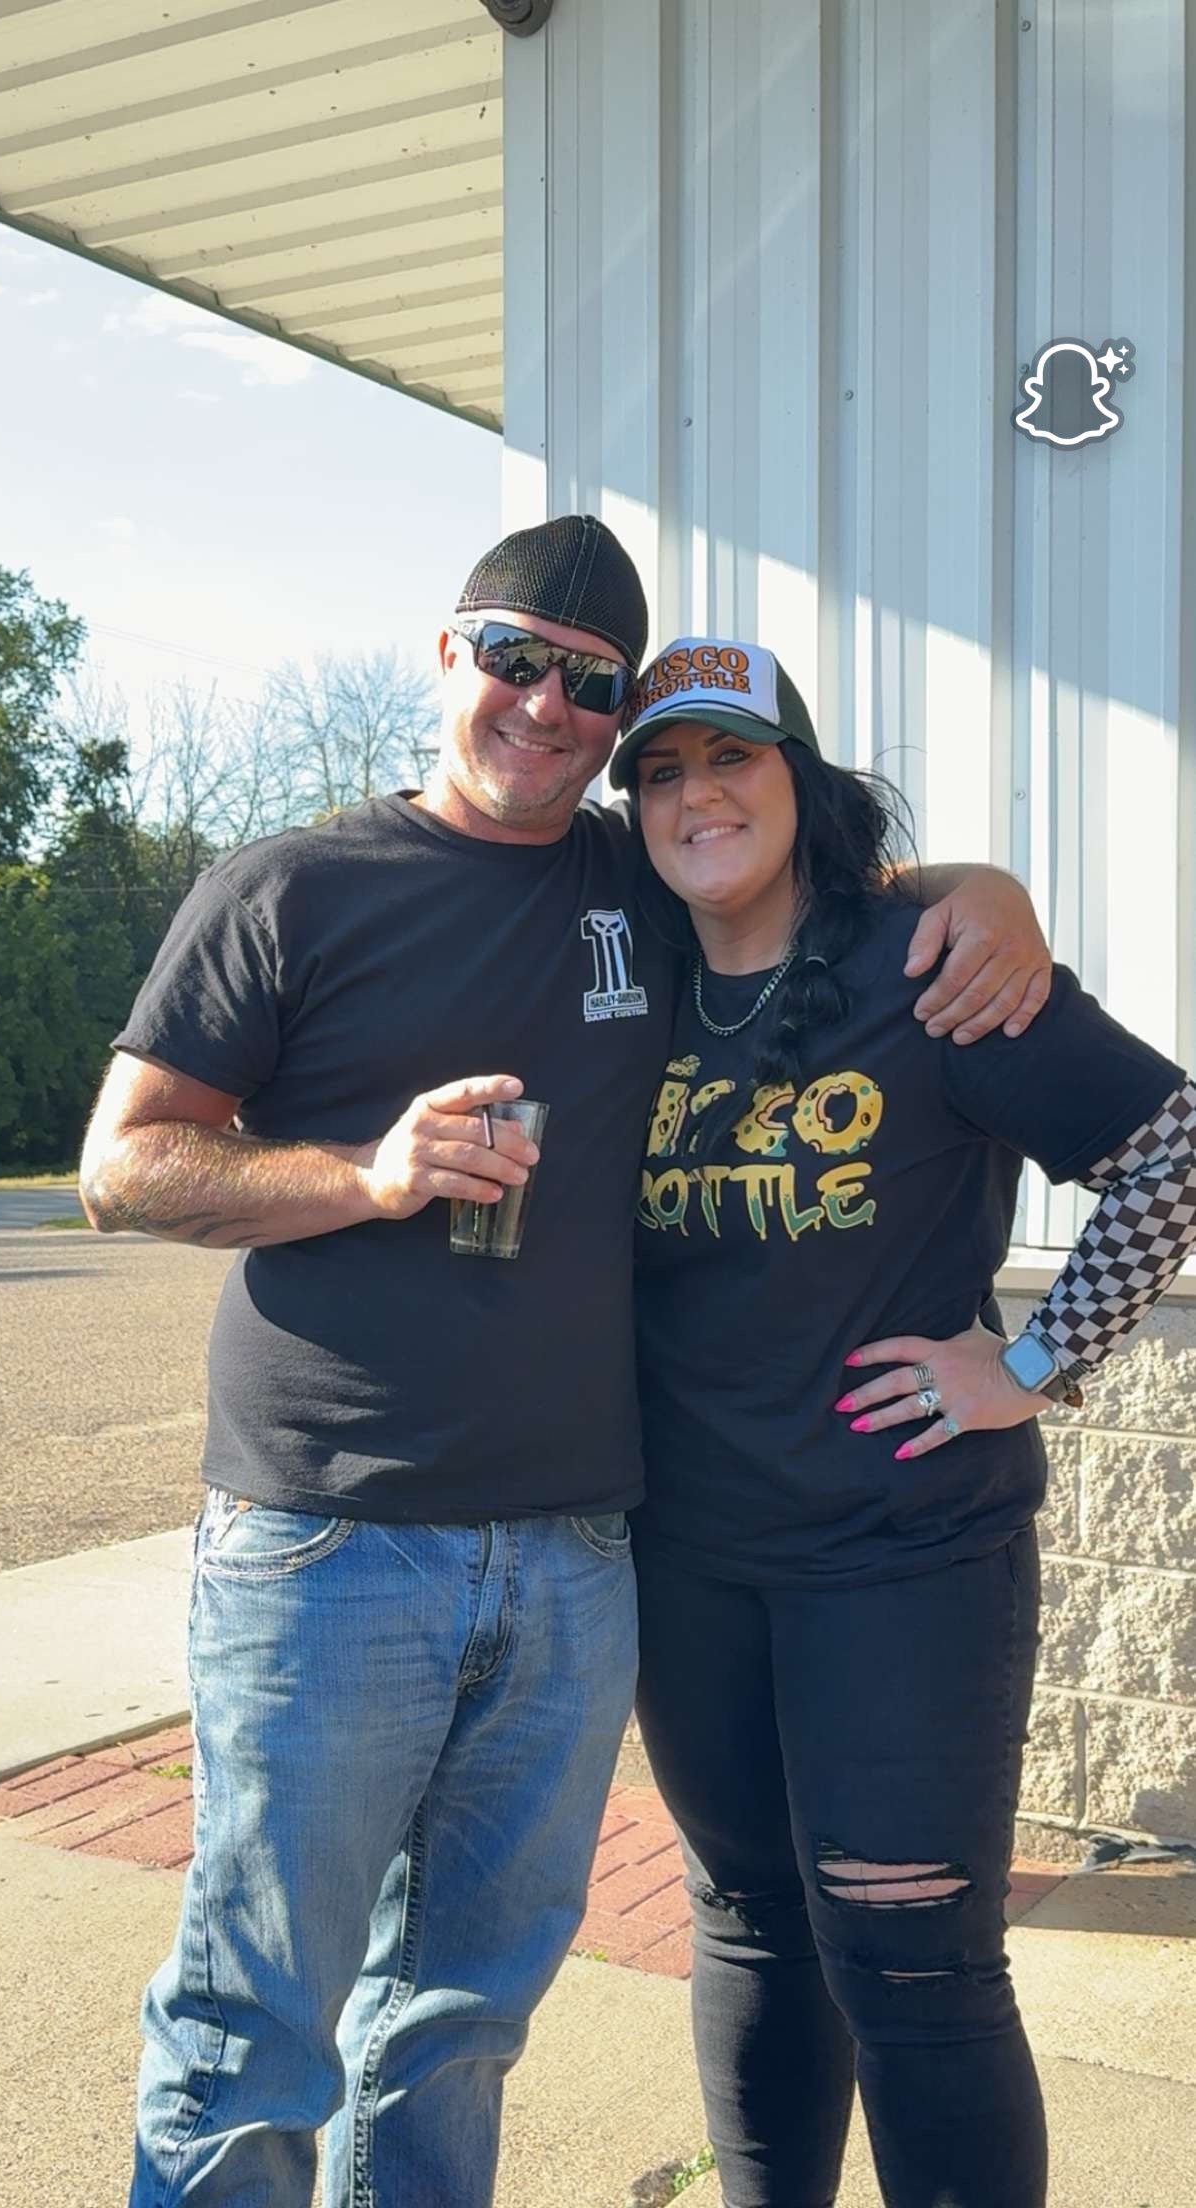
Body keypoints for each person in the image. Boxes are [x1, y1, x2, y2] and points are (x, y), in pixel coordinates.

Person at [79, 519, 1050, 2208]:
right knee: (256, 2021)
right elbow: (122, 1168)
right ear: (445, 654)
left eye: (590, 685)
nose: (545, 703)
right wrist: (366, 1176)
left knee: (458, 2015)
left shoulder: (635, 881)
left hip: (580, 1549)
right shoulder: (291, 887)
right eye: (514, 657)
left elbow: (786, 855)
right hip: (330, 1541)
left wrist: (986, 894)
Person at [609, 636, 1196, 2208]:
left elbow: (1173, 1148)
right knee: (748, 1927)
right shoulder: (631, 984)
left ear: (797, 781)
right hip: (688, 1561)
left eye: (731, 757)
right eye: (659, 771)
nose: (696, 795)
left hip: (899, 1560)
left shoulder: (930, 967)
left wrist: (1033, 1359)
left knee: (912, 1963)